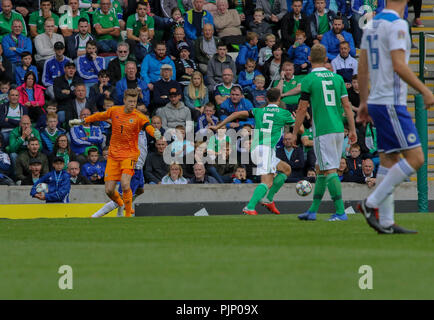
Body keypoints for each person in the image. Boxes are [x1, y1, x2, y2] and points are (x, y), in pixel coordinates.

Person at [356, 0, 434, 234]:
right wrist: (425, 89)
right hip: (391, 101)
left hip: (378, 101)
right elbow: (399, 65)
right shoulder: (398, 24)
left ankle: (387, 222)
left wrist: (363, 101)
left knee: (389, 160)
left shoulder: (372, 23)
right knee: (416, 158)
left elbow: (362, 64)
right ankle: (370, 203)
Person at [290, 43, 357, 222]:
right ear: (326, 58)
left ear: (309, 59)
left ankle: (341, 212)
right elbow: (347, 106)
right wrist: (352, 129)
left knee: (329, 170)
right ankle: (312, 211)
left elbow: (302, 108)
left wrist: (295, 132)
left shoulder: (309, 79)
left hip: (323, 130)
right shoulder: (338, 79)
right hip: (338, 129)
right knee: (321, 169)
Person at [69, 89, 161, 217]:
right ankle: (121, 204)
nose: (132, 104)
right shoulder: (115, 111)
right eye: (130, 101)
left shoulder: (139, 116)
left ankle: (127, 215)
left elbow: (147, 126)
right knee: (109, 190)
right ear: (124, 101)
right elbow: (99, 116)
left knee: (125, 184)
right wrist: (83, 121)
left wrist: (154, 132)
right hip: (114, 155)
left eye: (134, 101)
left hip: (130, 154)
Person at [210, 88, 297, 215]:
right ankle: (249, 207)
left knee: (286, 169)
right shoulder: (284, 113)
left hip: (256, 149)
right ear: (279, 99)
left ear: (266, 99)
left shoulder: (258, 110)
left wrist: (218, 126)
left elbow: (236, 114)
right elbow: (299, 128)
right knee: (267, 182)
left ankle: (268, 199)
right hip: (265, 150)